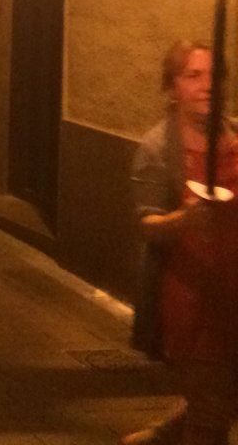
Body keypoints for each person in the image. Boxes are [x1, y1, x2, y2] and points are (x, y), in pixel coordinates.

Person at [124, 40, 238, 445]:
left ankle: (159, 437)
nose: (208, 85)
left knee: (220, 398)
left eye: (215, 76)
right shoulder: (157, 149)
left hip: (234, 291)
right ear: (172, 87)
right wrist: (186, 218)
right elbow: (147, 224)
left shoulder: (236, 138)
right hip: (191, 299)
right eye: (194, 76)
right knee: (211, 416)